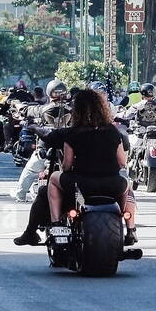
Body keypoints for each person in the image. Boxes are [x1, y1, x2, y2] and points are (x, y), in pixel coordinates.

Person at [14, 87, 134, 246]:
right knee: (127, 185)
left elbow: (67, 165)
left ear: (77, 110)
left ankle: (56, 224)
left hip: (81, 185)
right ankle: (130, 230)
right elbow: (121, 162)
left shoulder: (73, 132)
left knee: (54, 179)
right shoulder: (113, 131)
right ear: (101, 108)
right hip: (112, 185)